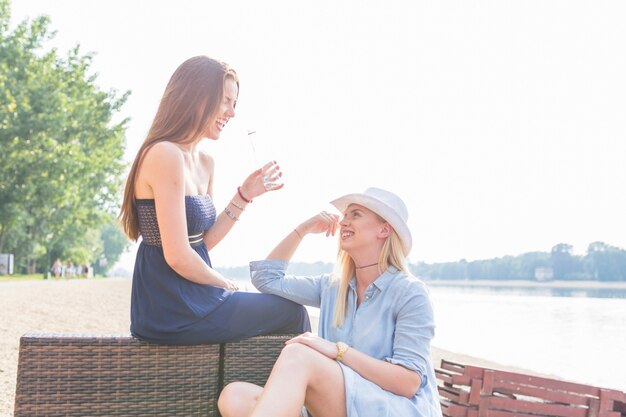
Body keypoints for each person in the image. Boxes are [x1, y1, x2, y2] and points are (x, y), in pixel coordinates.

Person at [118, 56, 310, 344]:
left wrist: (244, 195)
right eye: (225, 101)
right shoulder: (165, 155)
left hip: (197, 295)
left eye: (235, 104)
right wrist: (227, 285)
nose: (231, 113)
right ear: (195, 97)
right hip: (170, 305)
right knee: (292, 314)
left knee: (289, 313)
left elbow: (201, 244)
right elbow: (178, 256)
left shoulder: (206, 161)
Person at [218, 187, 442, 417]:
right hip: (338, 404)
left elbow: (407, 382)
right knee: (235, 396)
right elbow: (266, 278)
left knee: (299, 354)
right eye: (345, 216)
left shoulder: (410, 292)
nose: (344, 222)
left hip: (389, 407)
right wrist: (303, 230)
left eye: (355, 215)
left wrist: (338, 351)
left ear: (384, 229)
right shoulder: (332, 287)